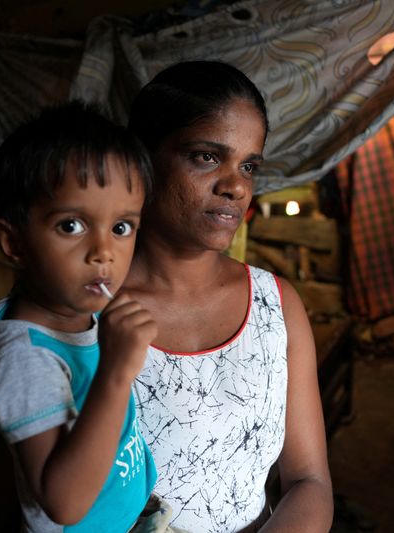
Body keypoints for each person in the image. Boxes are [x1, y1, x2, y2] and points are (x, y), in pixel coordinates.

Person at [124, 61, 334, 532]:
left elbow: (309, 480)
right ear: (144, 159)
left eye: (249, 166)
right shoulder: (89, 316)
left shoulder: (276, 305)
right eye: (205, 157)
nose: (235, 185)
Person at [0, 101, 159, 532]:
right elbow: (64, 503)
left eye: (121, 228)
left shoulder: (80, 315)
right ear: (14, 242)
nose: (103, 253)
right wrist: (116, 373)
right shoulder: (27, 360)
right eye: (71, 226)